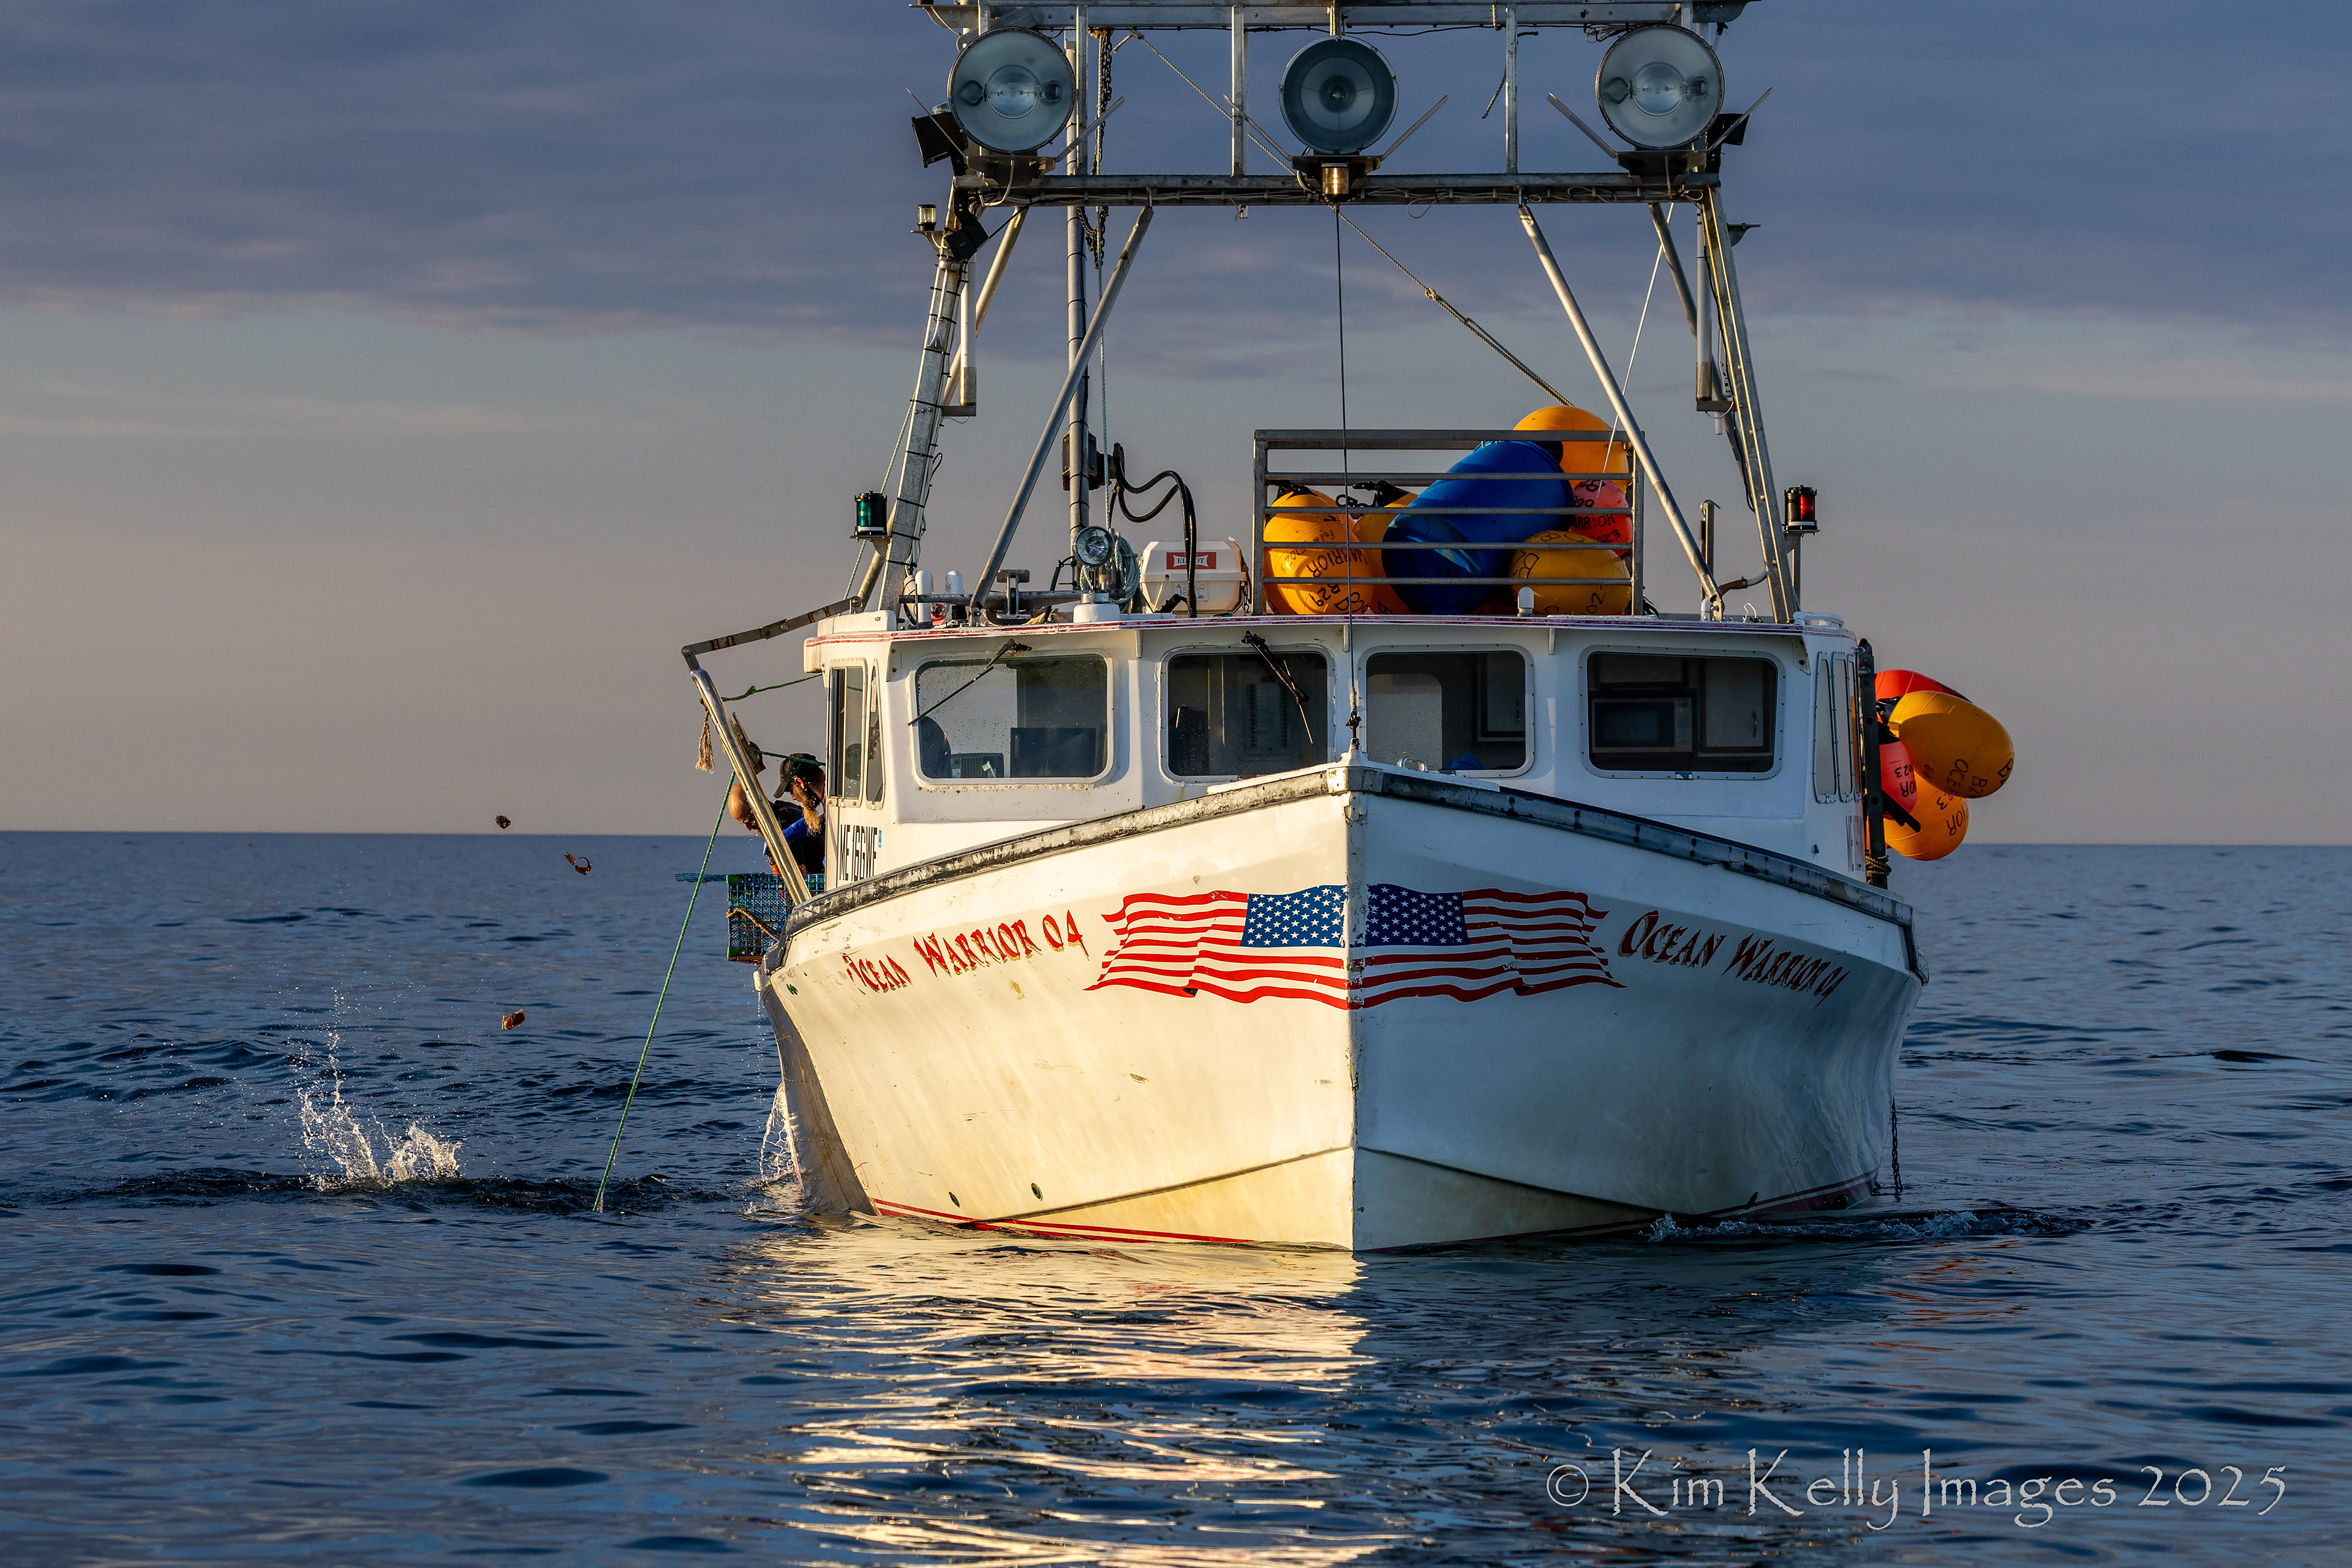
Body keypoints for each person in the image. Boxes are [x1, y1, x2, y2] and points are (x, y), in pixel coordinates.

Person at [728, 751, 826, 883]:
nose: (793, 797)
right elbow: (826, 823)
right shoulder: (787, 809)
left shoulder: (782, 824)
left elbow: (798, 880)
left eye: (749, 820)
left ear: (800, 783)